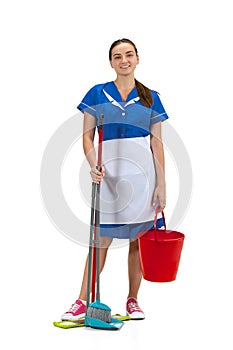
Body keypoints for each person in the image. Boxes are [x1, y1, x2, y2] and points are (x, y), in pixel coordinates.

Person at [61, 38, 168, 321]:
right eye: (118, 56)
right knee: (100, 240)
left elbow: (157, 143)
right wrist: (93, 163)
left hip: (142, 179)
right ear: (110, 62)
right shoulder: (97, 94)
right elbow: (86, 135)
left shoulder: (151, 97)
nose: (124, 60)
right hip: (108, 180)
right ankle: (83, 300)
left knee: (138, 240)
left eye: (129, 54)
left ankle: (133, 300)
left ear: (137, 58)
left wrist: (162, 184)